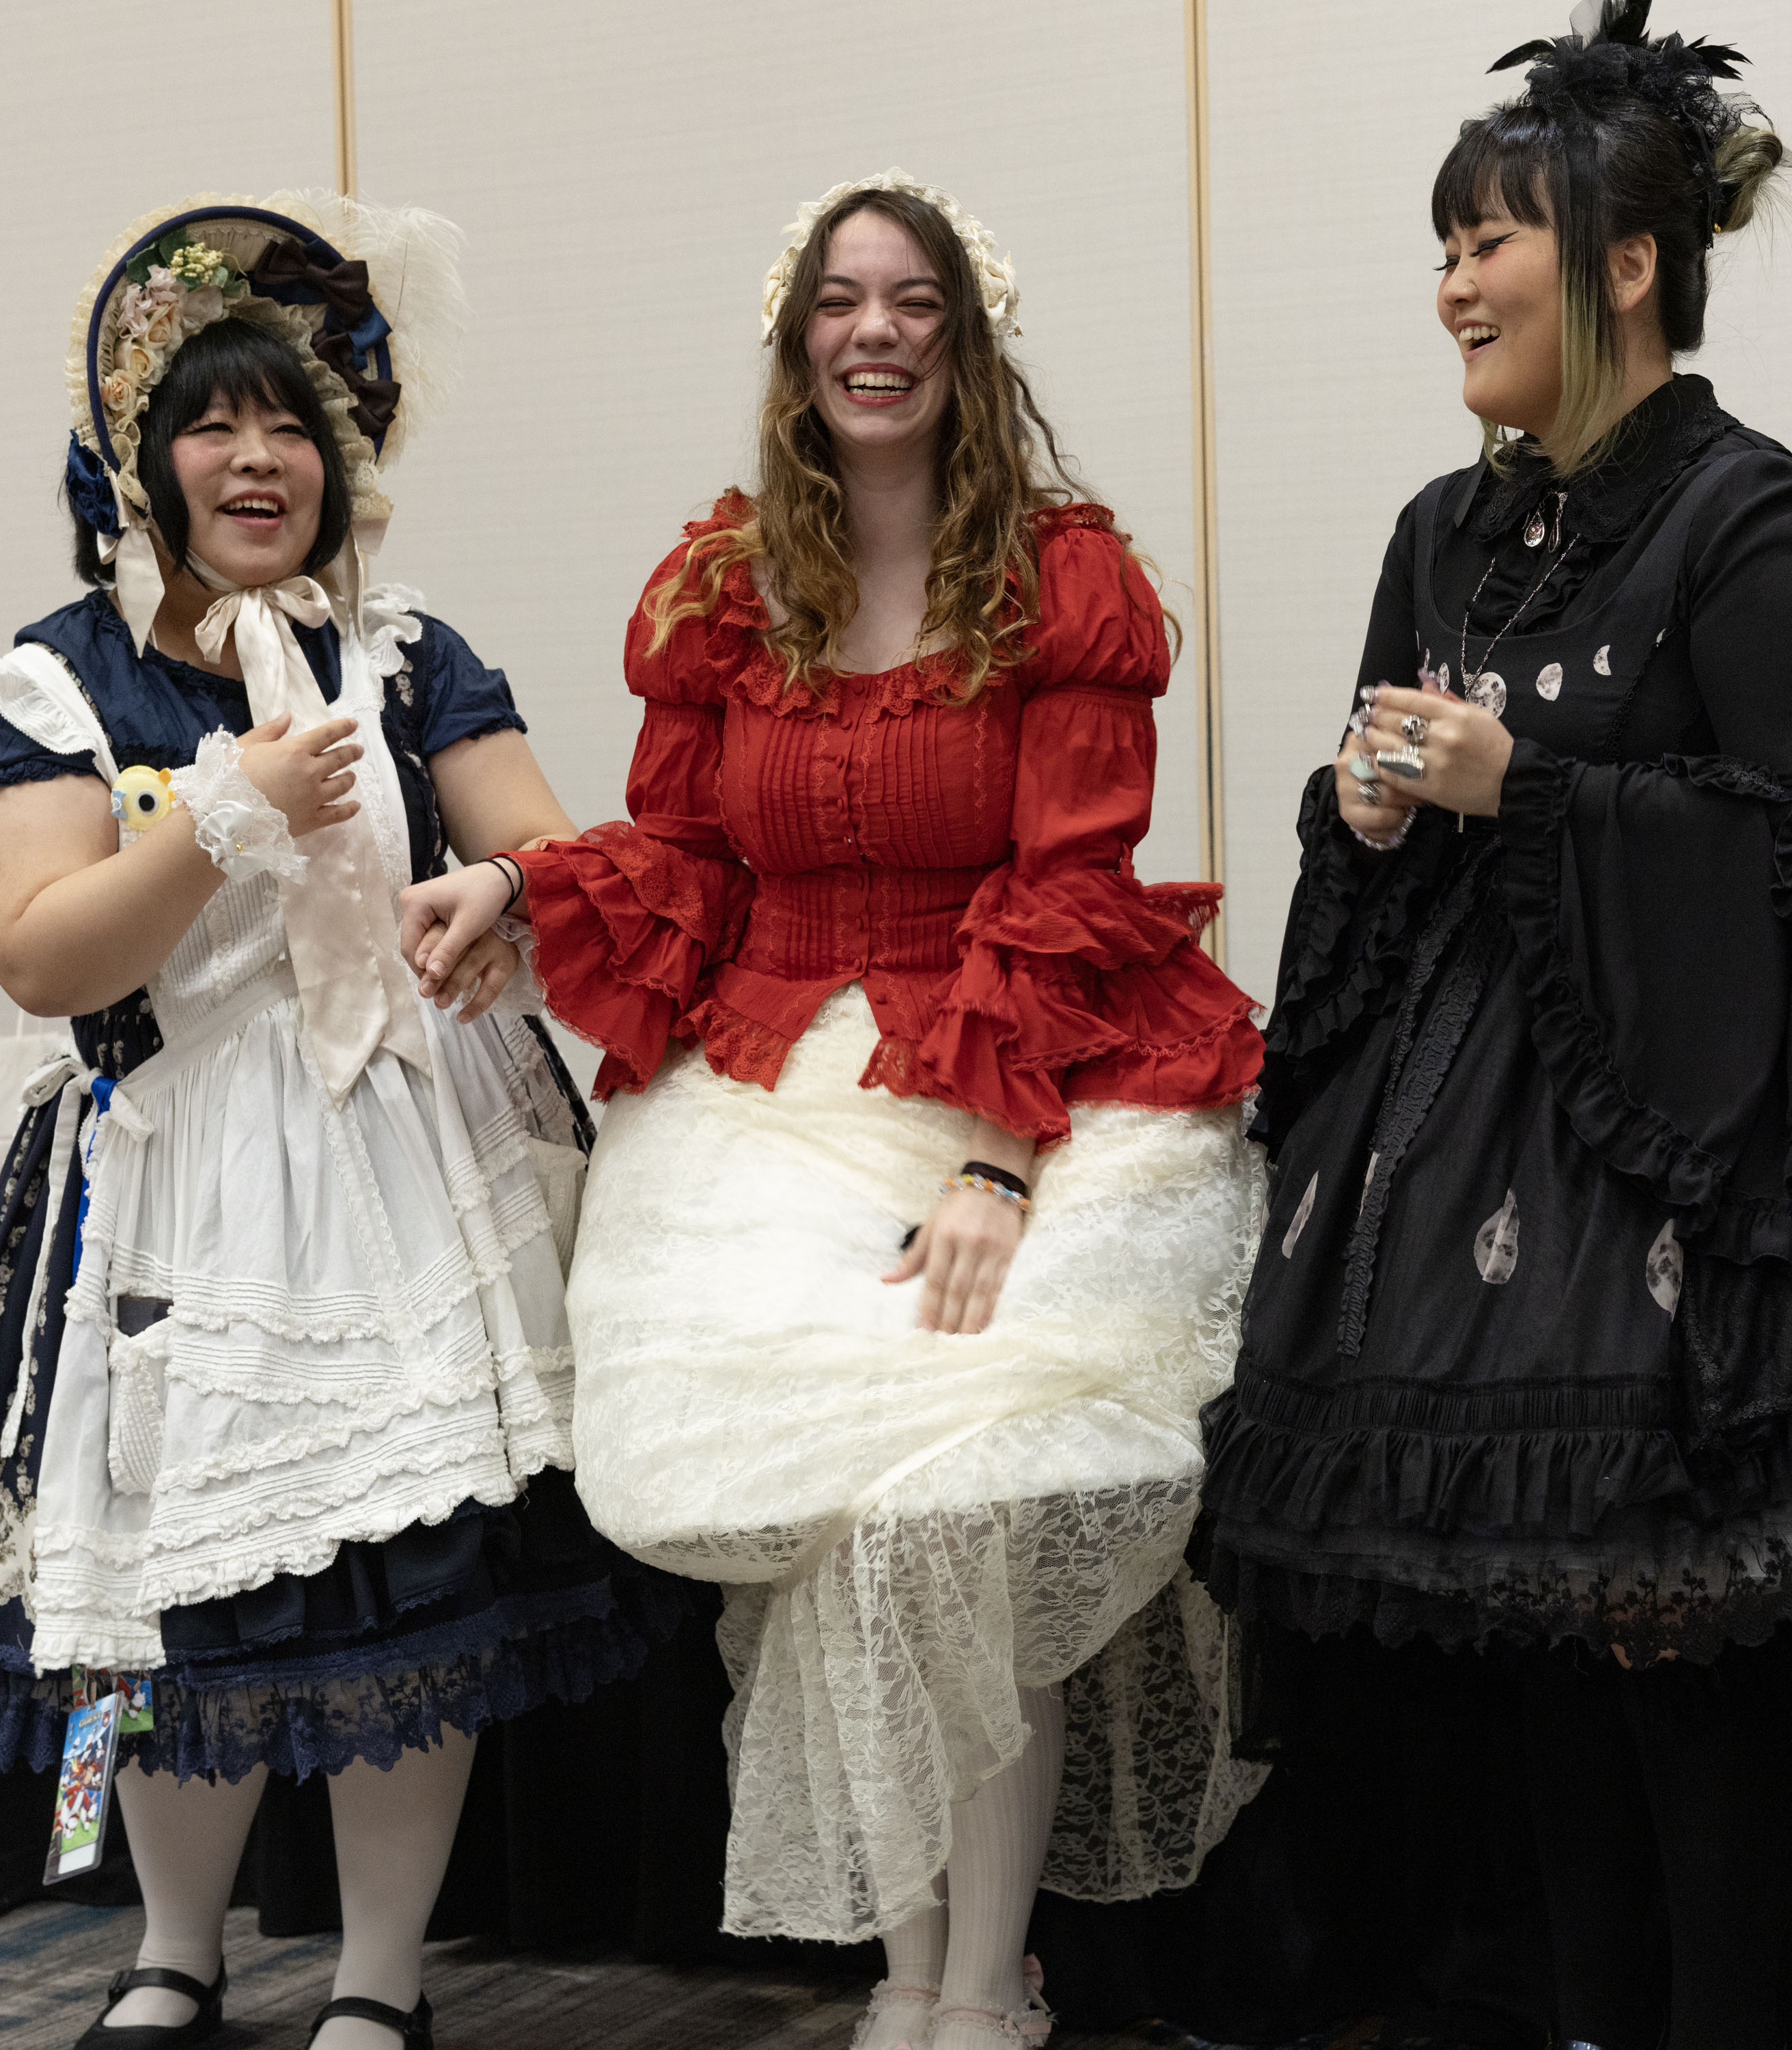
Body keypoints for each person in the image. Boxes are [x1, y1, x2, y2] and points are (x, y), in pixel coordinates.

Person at [1192, 9, 1792, 2047]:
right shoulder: (1445, 525)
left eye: (1488, 240)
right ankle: (1585, 2011)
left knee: (1682, 1646)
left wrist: (1528, 786)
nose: (1452, 283)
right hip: (1461, 1159)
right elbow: (1381, 805)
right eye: (1441, 246)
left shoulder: (1753, 518)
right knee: (1532, 1648)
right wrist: (1367, 808)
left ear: (1627, 265)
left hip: (1702, 1156)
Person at [398, 171, 1267, 2050]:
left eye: (913, 302)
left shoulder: (1065, 580)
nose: (876, 333)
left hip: (1024, 1086)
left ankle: (989, 1983)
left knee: (960, 1506)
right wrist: (522, 891)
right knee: (841, 1541)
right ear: (797, 345)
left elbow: (1070, 883)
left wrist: (992, 1163)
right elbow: (688, 860)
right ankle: (912, 1978)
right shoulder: (726, 588)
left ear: (966, 340)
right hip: (774, 1092)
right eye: (839, 303)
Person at [0, 190, 672, 2050]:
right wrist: (226, 812)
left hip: (404, 1153)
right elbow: (41, 950)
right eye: (213, 424)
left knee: (406, 1587)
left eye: (292, 425)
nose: (258, 459)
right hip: (173, 1170)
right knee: (169, 1588)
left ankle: (381, 1980)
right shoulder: (56, 681)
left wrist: (510, 894)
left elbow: (567, 852)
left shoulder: (407, 656)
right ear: (139, 461)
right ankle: (175, 1948)